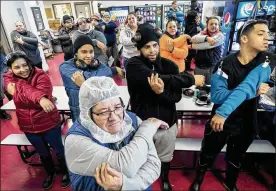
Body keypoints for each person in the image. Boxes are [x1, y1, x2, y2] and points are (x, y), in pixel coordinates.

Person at [189, 19, 276, 191]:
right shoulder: (226, 63)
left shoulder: (268, 59)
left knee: (236, 156)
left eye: (268, 33)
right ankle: (199, 178)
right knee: (208, 151)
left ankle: (230, 183)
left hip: (247, 121)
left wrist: (249, 90)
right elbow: (218, 95)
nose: (268, 38)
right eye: (261, 34)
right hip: (221, 120)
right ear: (244, 39)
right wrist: (251, 92)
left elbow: (249, 83)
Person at [126, 23, 205, 191]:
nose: (152, 50)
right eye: (147, 47)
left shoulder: (171, 66)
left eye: (155, 45)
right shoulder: (133, 65)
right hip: (142, 123)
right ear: (140, 48)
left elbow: (175, 97)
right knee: (141, 156)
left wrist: (161, 92)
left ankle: (165, 178)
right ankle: (143, 181)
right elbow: (154, 77)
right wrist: (189, 79)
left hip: (167, 122)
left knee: (165, 157)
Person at [64, 76, 167, 190]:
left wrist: (127, 185)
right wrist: (147, 128)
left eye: (118, 107)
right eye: (103, 112)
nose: (113, 117)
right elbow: (126, 166)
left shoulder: (133, 120)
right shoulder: (76, 141)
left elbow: (154, 165)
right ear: (87, 113)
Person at [3, 51, 70, 189]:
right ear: (11, 69)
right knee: (43, 152)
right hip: (28, 126)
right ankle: (50, 173)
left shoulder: (41, 76)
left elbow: (40, 97)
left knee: (58, 149)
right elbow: (35, 99)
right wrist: (39, 99)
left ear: (29, 63)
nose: (22, 70)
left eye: (25, 65)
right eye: (17, 67)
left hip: (49, 122)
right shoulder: (8, 78)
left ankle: (65, 172)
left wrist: (22, 92)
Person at [60, 35, 125, 122]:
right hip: (79, 113)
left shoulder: (97, 64)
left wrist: (84, 82)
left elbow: (106, 74)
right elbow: (100, 76)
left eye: (91, 52)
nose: (89, 55)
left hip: (98, 110)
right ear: (76, 53)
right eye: (84, 52)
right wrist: (112, 70)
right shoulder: (65, 67)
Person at [190, 16, 225, 84]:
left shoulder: (220, 36)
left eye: (216, 24)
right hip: (199, 67)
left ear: (218, 26)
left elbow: (206, 45)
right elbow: (193, 39)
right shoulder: (202, 33)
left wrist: (192, 46)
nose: (213, 26)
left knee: (210, 88)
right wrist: (206, 38)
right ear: (207, 25)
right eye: (211, 24)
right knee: (198, 87)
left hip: (212, 68)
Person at [0, 45, 11, 120]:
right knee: (0, 94)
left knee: (9, 89)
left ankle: (15, 103)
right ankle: (2, 112)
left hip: (4, 69)